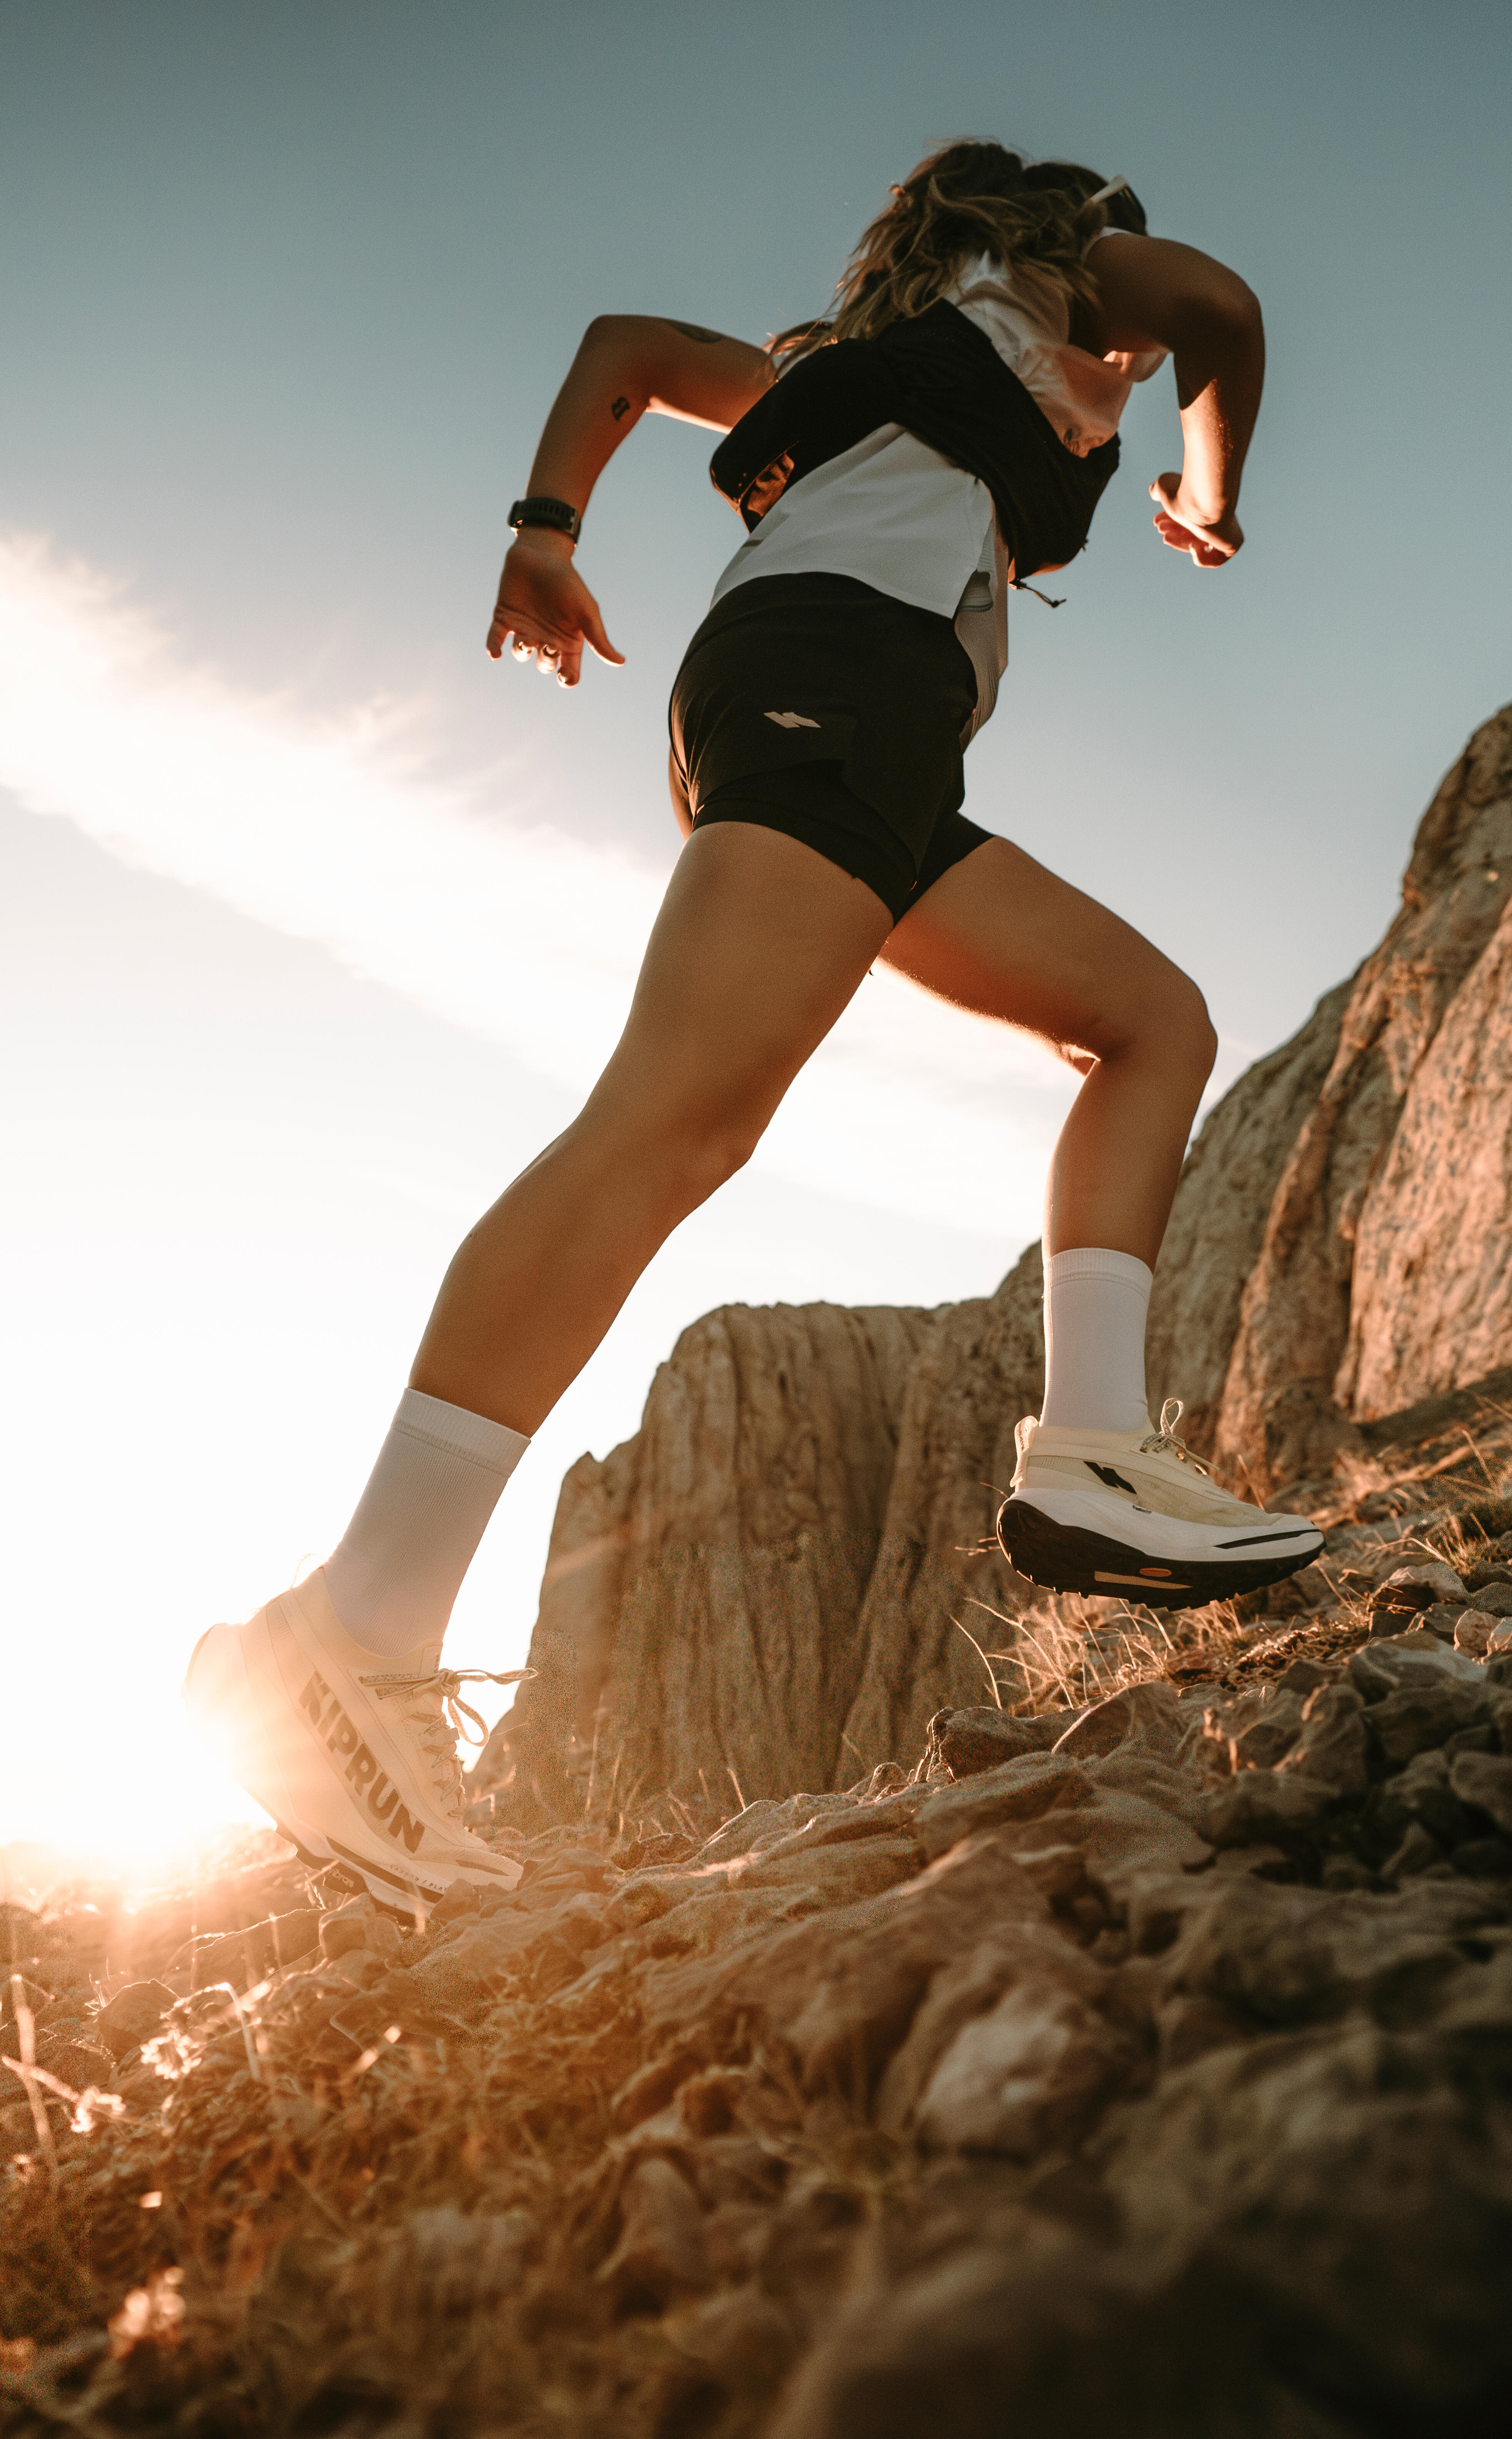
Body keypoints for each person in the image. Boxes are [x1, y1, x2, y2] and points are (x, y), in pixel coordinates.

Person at [184, 141, 1320, 1911]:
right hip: (837, 688)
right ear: (1060, 243)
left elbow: (625, 346)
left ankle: (1096, 1453)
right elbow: (1225, 316)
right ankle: (345, 1629)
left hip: (849, 721)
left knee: (1148, 1023)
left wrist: (546, 535)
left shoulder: (846, 380)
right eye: (1114, 254)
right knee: (673, 1123)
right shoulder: (1053, 302)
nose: (1134, 298)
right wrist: (1206, 483)